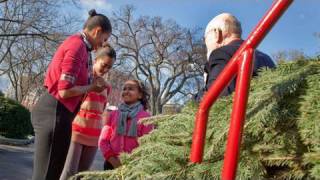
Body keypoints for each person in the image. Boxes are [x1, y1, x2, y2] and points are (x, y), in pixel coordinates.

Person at [31, 9, 112, 180]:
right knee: (46, 175)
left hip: (61, 114)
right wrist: (91, 88)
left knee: (52, 173)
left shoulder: (83, 48)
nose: (102, 45)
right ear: (97, 31)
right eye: (104, 39)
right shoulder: (77, 46)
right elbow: (64, 90)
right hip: (54, 112)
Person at [59, 44, 116, 180]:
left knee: (83, 175)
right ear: (95, 60)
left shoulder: (107, 87)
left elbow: (101, 111)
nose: (106, 69)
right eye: (104, 65)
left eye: (109, 67)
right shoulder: (84, 77)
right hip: (77, 130)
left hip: (94, 135)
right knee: (69, 173)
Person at [203, 13, 275, 97]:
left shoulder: (222, 54)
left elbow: (218, 98)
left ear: (217, 33)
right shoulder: (266, 58)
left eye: (205, 38)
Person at [98, 80, 153, 170]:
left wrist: (133, 162)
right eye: (124, 89)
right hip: (111, 164)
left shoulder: (146, 118)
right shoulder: (113, 114)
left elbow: (147, 145)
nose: (126, 91)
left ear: (140, 95)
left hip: (133, 167)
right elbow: (103, 141)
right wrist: (113, 161)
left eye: (130, 89)